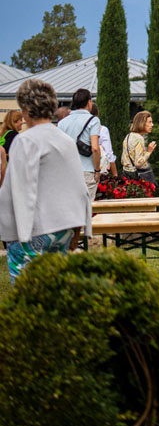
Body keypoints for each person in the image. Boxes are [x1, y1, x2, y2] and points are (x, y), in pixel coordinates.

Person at [0, 79, 90, 281]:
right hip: (64, 227)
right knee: (55, 285)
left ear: (25, 109)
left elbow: (19, 190)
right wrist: (78, 229)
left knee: (27, 290)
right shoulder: (66, 141)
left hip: (33, 228)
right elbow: (78, 186)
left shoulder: (25, 141)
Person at [57, 88, 102, 206]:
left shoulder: (62, 122)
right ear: (89, 102)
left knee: (69, 207)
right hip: (86, 169)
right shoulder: (93, 120)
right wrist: (97, 170)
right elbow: (95, 148)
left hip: (67, 171)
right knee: (86, 208)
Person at [121, 111, 157, 186]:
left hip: (126, 175)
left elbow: (122, 160)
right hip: (136, 177)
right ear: (142, 123)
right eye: (149, 122)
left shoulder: (128, 136)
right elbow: (138, 163)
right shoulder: (139, 138)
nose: (152, 125)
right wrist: (149, 152)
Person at [89, 101, 118, 178]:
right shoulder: (102, 130)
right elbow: (108, 153)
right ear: (97, 114)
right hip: (99, 169)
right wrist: (115, 175)